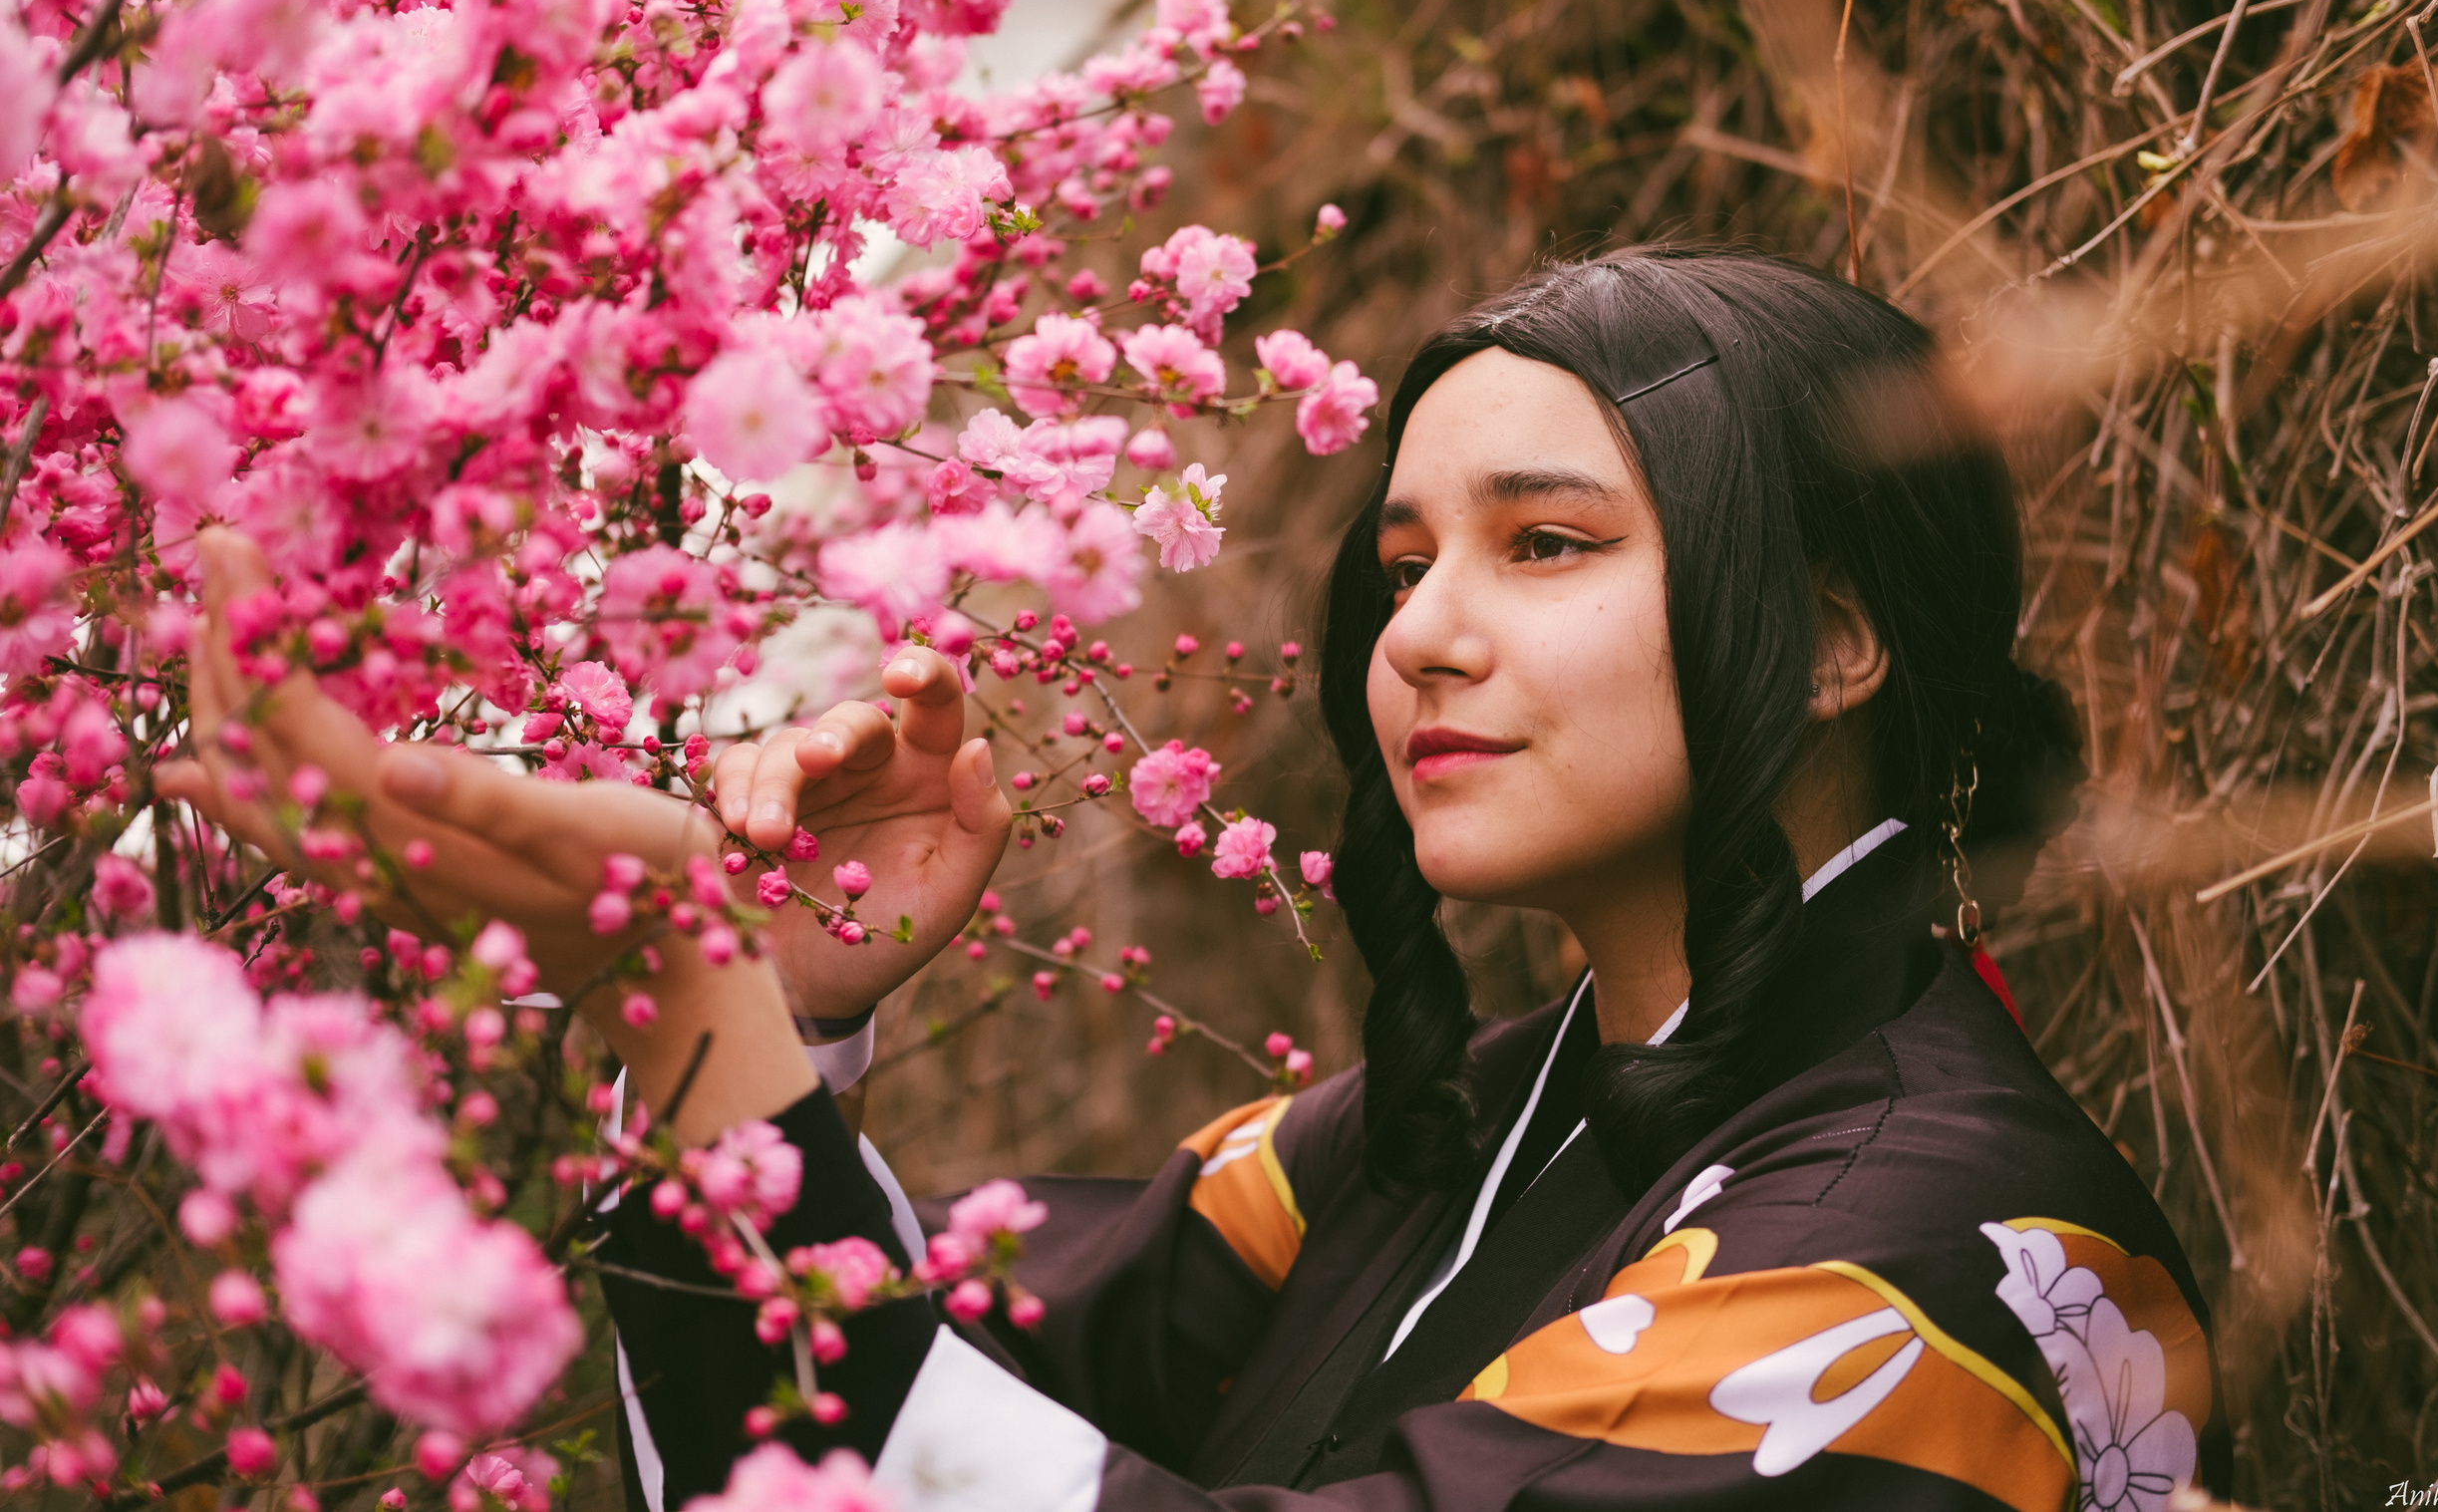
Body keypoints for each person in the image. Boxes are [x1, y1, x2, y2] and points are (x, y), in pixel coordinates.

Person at [163, 249, 2228, 1512]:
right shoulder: (1438, 1135)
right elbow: (918, 1382)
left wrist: (684, 1000)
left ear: (1836, 637)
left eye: (1546, 542)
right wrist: (779, 1012)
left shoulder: (1929, 1252)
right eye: (1402, 563)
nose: (1413, 635)